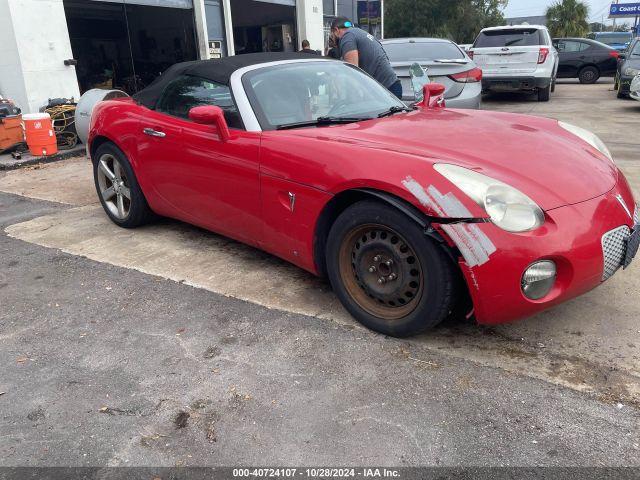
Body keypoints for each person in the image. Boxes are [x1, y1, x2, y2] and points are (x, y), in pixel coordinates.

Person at [330, 17, 402, 99]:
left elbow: (352, 72)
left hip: (385, 91)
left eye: (331, 34)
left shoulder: (347, 37)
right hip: (392, 86)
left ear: (336, 30)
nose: (331, 38)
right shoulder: (360, 33)